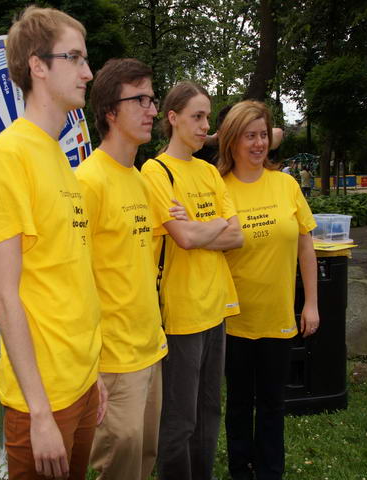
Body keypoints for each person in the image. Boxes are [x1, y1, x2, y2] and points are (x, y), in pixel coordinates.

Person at [0, 7, 106, 480]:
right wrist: (40, 414)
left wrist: (92, 374)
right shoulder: (9, 156)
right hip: (43, 399)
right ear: (38, 66)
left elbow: (69, 276)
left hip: (81, 383)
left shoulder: (59, 157)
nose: (88, 72)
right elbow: (4, 296)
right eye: (75, 58)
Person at [76, 58, 187, 480]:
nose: (153, 110)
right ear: (110, 111)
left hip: (150, 349)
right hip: (112, 361)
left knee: (143, 460)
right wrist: (90, 368)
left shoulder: (141, 180)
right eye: (140, 100)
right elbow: (74, 281)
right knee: (117, 466)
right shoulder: (87, 182)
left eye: (152, 100)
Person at [141, 81, 243, 480]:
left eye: (207, 117)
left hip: (216, 306)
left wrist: (202, 226)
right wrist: (215, 224)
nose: (205, 126)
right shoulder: (156, 171)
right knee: (180, 417)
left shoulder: (209, 171)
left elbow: (237, 236)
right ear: (173, 118)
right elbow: (182, 238)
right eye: (197, 116)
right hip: (181, 312)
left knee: (209, 411)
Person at [216, 100, 320, 480]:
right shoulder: (218, 188)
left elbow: (305, 245)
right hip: (233, 319)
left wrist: (311, 303)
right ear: (232, 141)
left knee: (274, 403)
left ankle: (271, 471)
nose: (258, 143)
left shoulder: (286, 184)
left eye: (263, 135)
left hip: (278, 316)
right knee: (239, 403)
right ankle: (240, 470)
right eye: (249, 136)